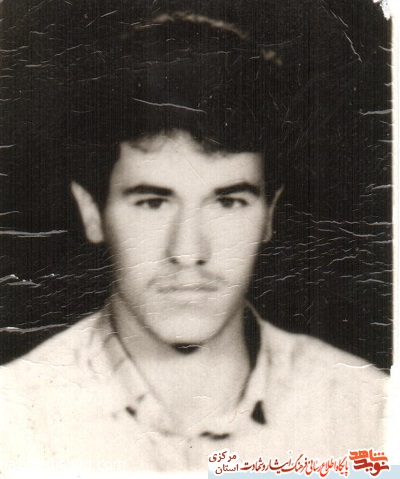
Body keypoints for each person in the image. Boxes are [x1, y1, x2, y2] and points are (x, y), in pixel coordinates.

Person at [0, 1, 388, 474]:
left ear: (269, 215)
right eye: (152, 202)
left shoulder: (368, 414)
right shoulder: (13, 420)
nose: (188, 251)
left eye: (228, 202)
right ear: (92, 213)